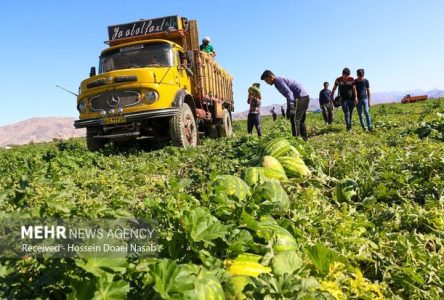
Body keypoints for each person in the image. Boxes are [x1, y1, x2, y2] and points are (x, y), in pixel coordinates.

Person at [261, 70, 310, 140]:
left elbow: (289, 93)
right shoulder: (277, 82)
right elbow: (288, 95)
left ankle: (296, 141)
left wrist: (291, 105)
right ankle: (305, 140)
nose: (267, 83)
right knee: (300, 121)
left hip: (300, 97)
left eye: (266, 80)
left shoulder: (278, 81)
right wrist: (288, 108)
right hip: (304, 97)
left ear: (271, 77)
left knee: (295, 120)